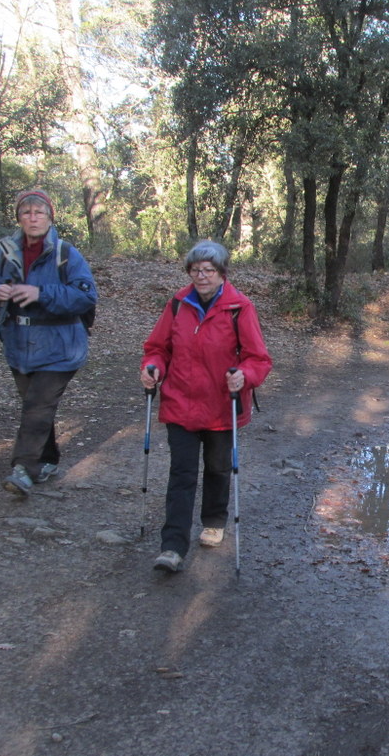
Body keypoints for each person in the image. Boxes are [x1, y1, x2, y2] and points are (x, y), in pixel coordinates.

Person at [140, 240, 272, 573]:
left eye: (209, 270)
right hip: (180, 404)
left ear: (222, 273)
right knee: (181, 474)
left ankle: (214, 519)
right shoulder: (177, 305)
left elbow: (259, 359)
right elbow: (158, 348)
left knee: (217, 468)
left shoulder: (239, 308)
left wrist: (244, 375)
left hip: (221, 406)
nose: (201, 276)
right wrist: (153, 367)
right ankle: (172, 546)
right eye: (195, 270)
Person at [0, 189, 98, 497]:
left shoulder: (66, 253)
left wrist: (40, 293)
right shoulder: (5, 251)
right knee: (36, 407)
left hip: (61, 345)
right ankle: (47, 460)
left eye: (39, 212)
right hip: (19, 344)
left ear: (50, 217)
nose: (33, 218)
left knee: (37, 407)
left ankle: (22, 470)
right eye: (27, 212)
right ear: (19, 217)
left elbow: (85, 296)